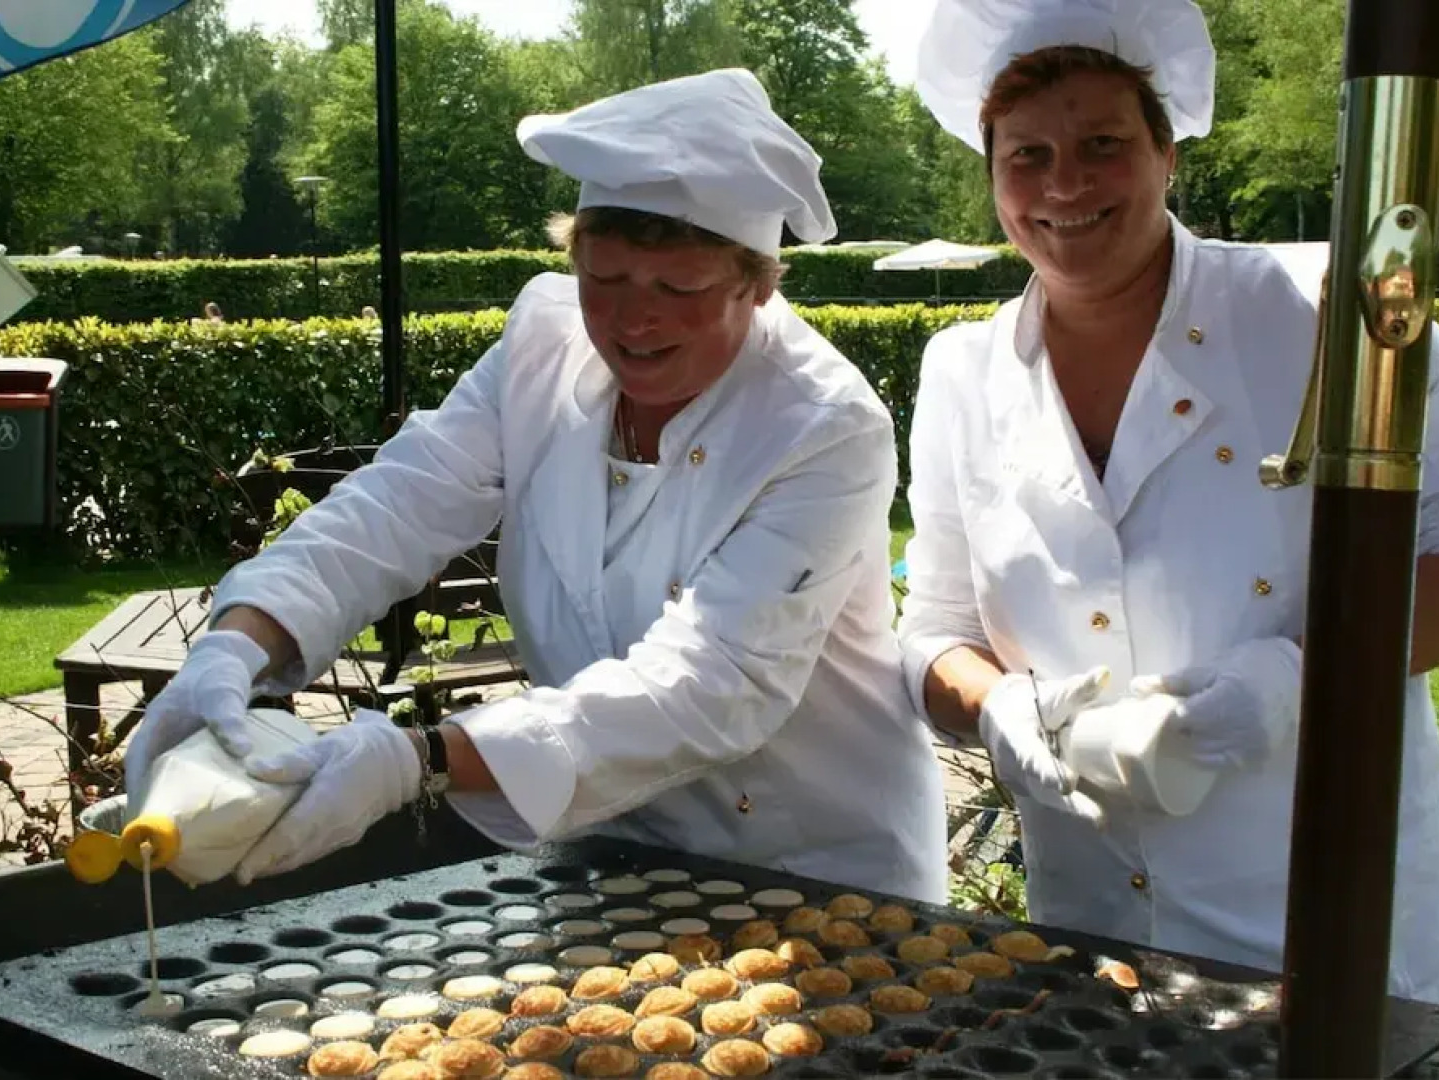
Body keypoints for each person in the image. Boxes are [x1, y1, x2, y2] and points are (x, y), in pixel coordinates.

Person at [122, 69, 949, 902]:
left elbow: (715, 680)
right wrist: (237, 643)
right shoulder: (540, 348)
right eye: (605, 278)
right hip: (608, 852)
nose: (633, 319)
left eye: (678, 288)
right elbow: (396, 504)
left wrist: (419, 758)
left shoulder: (820, 425)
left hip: (819, 865)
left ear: (758, 282)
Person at [897, 0, 1439, 1009]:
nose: (1063, 185)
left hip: (1339, 947)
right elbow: (934, 629)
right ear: (992, 176)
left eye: (1101, 145)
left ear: (1166, 154)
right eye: (1026, 156)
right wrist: (1000, 711)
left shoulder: (1317, 314)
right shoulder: (960, 372)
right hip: (1092, 951)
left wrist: (1300, 678)